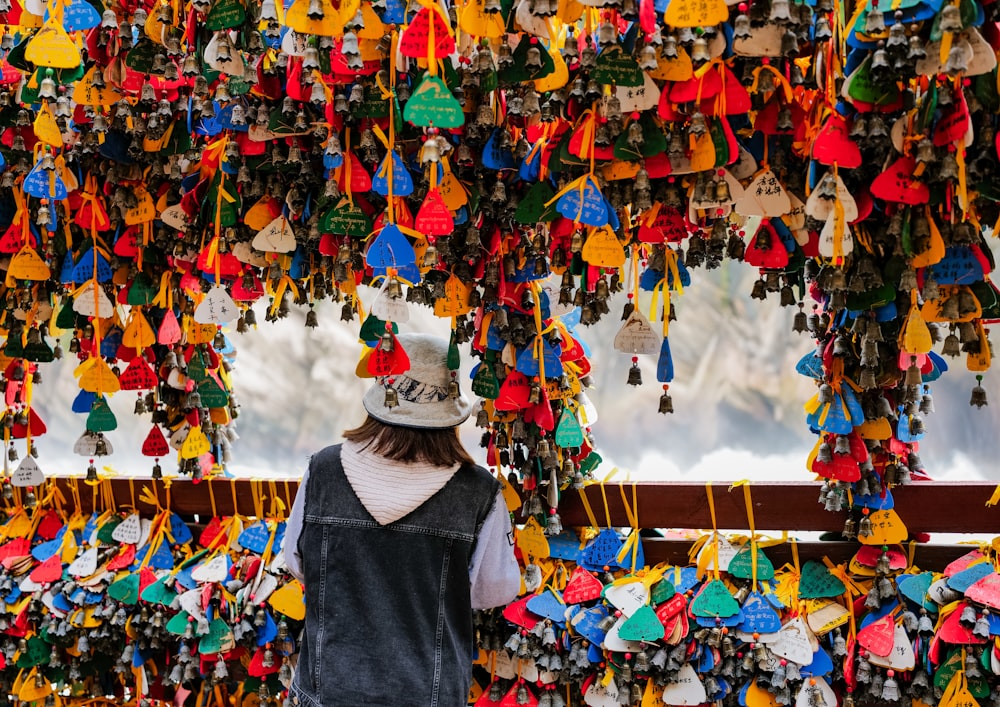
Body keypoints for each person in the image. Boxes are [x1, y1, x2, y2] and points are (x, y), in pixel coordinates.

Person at [283, 332, 522, 707]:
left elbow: (297, 561)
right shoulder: (478, 491)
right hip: (430, 693)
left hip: (328, 691)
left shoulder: (322, 469)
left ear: (382, 392)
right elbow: (495, 589)